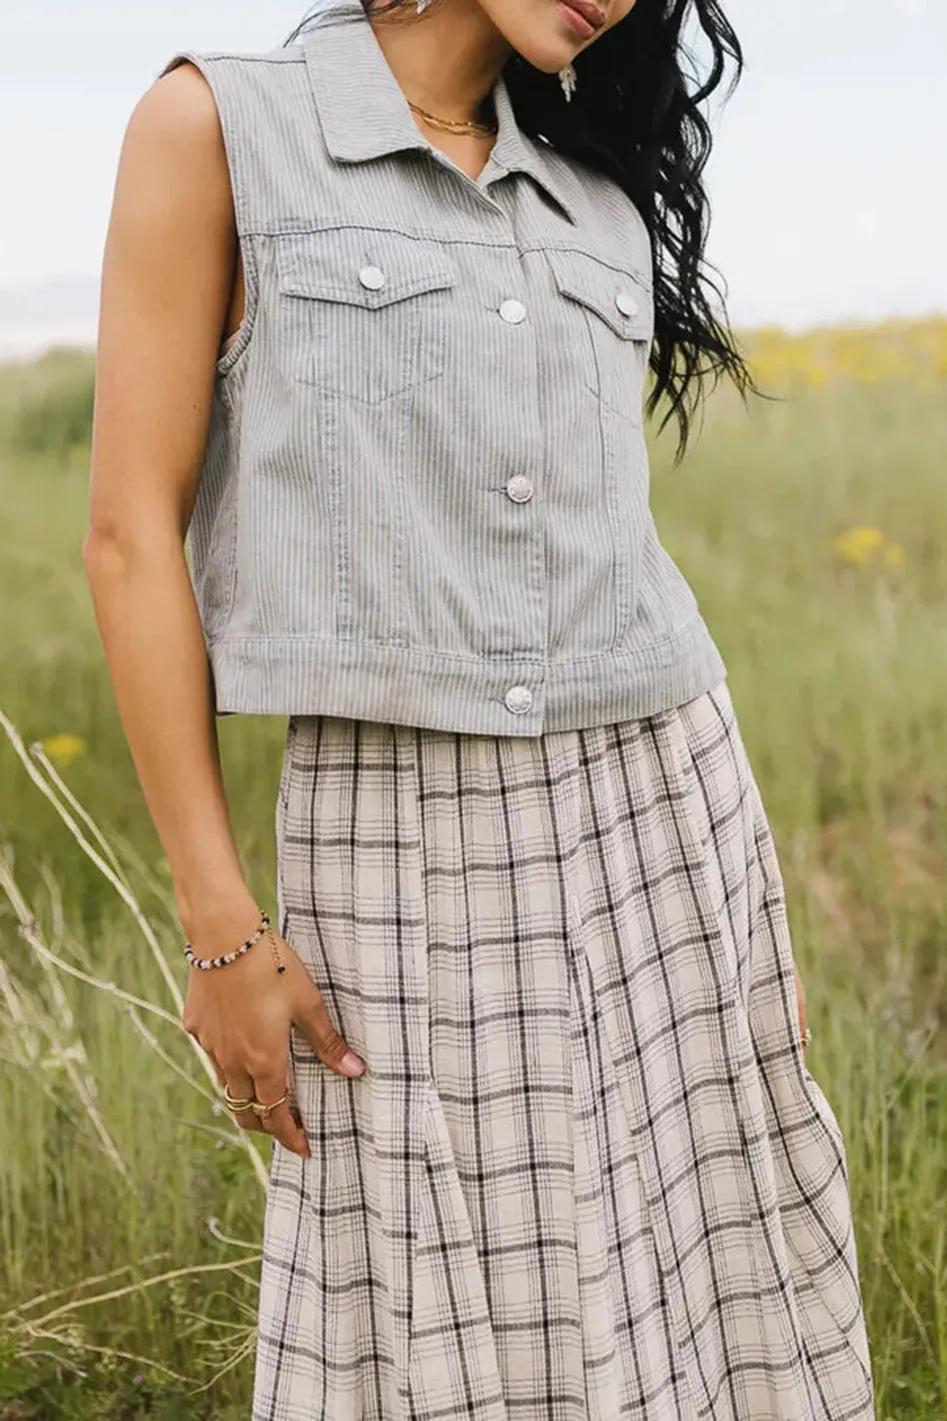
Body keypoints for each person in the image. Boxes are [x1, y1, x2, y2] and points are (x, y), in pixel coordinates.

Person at [83, 0, 876, 1415]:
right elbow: (131, 536)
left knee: (690, 1277)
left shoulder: (594, 204)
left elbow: (616, 556)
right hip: (395, 829)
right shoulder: (220, 125)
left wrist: (741, 910)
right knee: (436, 1300)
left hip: (663, 804)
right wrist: (218, 926)